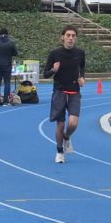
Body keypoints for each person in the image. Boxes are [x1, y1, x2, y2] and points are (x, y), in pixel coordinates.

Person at [42, 25, 85, 164]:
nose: (71, 38)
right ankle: (59, 152)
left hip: (74, 92)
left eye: (73, 36)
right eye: (68, 35)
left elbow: (82, 68)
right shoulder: (54, 53)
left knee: (73, 123)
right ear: (63, 37)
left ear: (76, 38)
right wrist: (53, 70)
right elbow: (45, 74)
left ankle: (66, 137)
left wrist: (82, 77)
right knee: (60, 124)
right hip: (59, 92)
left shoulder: (80, 53)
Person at [0, 28, 18, 106]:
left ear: (0, 34)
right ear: (7, 34)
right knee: (7, 83)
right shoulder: (11, 43)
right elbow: (15, 53)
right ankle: (6, 100)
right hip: (7, 64)